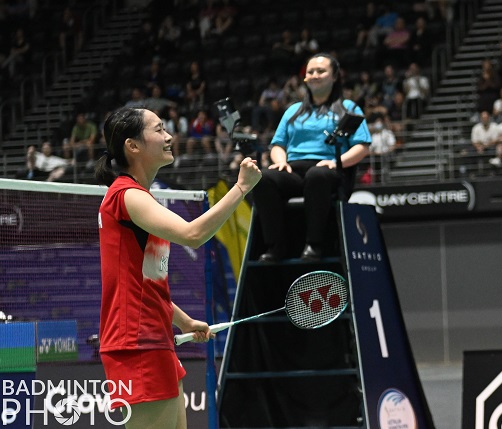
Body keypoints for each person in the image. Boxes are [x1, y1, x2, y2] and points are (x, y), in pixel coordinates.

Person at [95, 106, 261, 429]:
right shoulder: (126, 196)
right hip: (136, 345)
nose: (169, 136)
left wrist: (183, 321)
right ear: (133, 146)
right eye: (158, 130)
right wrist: (241, 189)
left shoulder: (139, 198)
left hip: (156, 339)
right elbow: (193, 234)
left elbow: (144, 283)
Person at [254, 54, 371, 262]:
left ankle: (314, 245)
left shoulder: (349, 109)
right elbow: (278, 145)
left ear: (334, 76)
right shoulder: (293, 110)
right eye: (310, 72)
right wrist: (280, 161)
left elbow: (362, 147)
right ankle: (276, 247)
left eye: (321, 71)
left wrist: (336, 162)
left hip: (328, 170)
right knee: (262, 178)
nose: (315, 75)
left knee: (317, 175)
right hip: (293, 171)